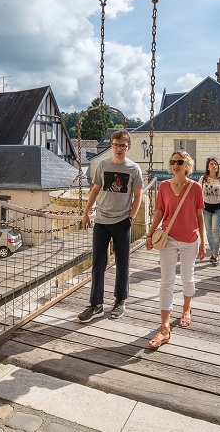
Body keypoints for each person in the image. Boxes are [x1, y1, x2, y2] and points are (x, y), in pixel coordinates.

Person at [78, 129, 143, 322]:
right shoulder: (103, 165)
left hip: (122, 221)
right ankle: (95, 304)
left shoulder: (134, 169)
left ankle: (120, 301)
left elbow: (138, 195)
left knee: (123, 263)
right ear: (111, 146)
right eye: (116, 145)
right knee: (98, 264)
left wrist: (131, 218)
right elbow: (95, 190)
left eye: (123, 145)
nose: (119, 148)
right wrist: (86, 212)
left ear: (128, 147)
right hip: (101, 221)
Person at [144, 151, 205, 348]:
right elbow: (160, 213)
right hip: (168, 239)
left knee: (188, 276)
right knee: (166, 281)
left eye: (179, 162)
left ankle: (187, 309)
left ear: (187, 165)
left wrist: (203, 242)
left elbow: (200, 216)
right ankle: (164, 327)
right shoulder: (163, 186)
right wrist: (150, 234)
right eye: (172, 162)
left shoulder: (195, 188)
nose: (175, 165)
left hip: (189, 239)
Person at [199, 157, 220, 266]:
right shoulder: (203, 179)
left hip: (218, 207)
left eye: (216, 164)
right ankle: (212, 250)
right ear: (208, 167)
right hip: (206, 208)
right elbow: (198, 193)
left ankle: (215, 254)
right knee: (208, 232)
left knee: (215, 231)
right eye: (212, 164)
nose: (214, 166)